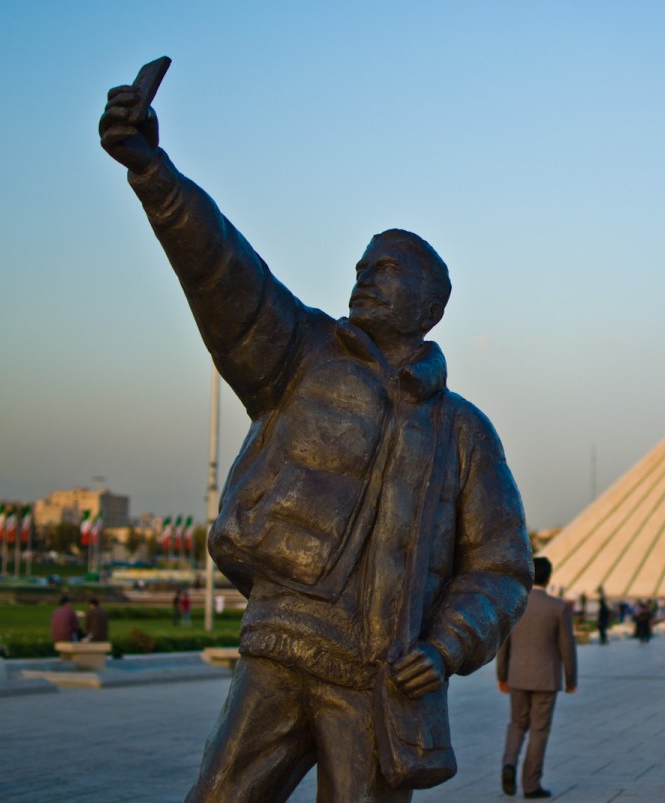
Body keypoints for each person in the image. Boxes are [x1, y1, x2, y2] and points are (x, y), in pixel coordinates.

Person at [100, 75, 533, 802]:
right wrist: (155, 175)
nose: (363, 277)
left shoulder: (463, 432)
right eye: (361, 265)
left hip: (379, 675)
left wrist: (445, 645)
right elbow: (223, 271)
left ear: (431, 304)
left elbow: (501, 567)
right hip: (280, 641)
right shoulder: (302, 354)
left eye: (385, 268)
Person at [497, 558, 577, 800]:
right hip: (546, 678)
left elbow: (503, 644)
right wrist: (571, 679)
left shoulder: (515, 605)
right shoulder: (558, 607)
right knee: (539, 730)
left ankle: (508, 764)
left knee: (516, 723)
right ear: (549, 578)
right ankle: (531, 785)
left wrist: (502, 675)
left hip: (517, 675)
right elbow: (567, 647)